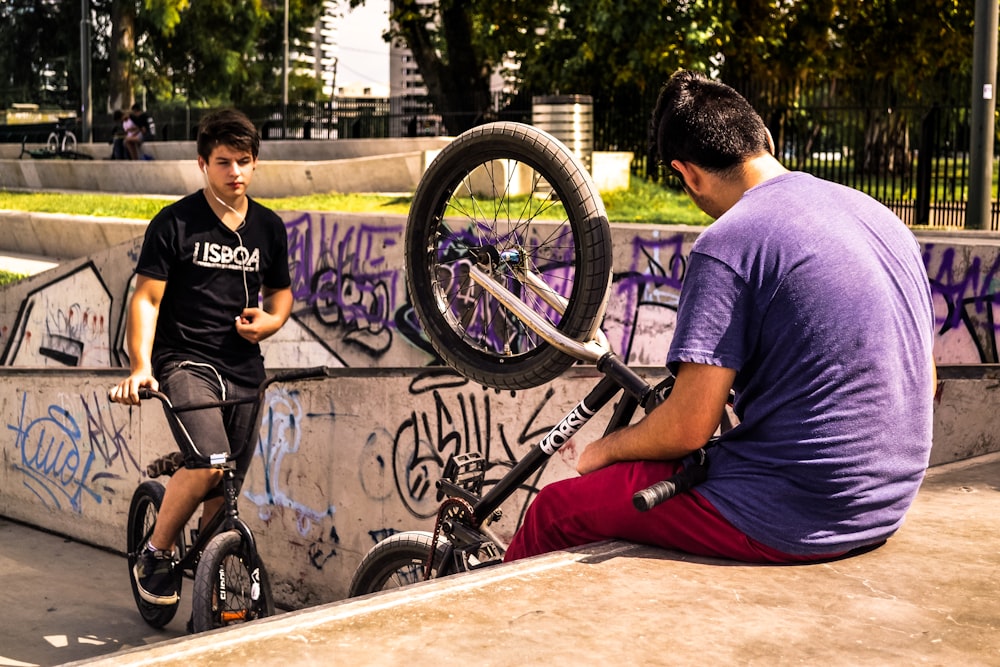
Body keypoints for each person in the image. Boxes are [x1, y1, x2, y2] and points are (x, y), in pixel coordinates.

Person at [503, 70, 936, 564]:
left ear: (686, 174)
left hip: (799, 513)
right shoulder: (879, 216)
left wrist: (605, 451)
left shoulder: (730, 241)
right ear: (765, 139)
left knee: (553, 512)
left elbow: (689, 425)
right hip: (888, 501)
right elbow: (927, 376)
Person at [109, 109, 293, 605]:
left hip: (245, 371)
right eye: (223, 162)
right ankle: (156, 550)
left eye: (244, 161)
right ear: (202, 164)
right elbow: (146, 298)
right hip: (186, 361)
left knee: (223, 492)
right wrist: (141, 366)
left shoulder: (269, 228)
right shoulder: (175, 223)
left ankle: (210, 605)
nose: (235, 172)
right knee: (211, 463)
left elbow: (282, 295)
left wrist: (271, 323)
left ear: (255, 165)